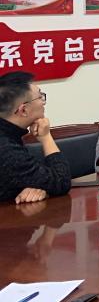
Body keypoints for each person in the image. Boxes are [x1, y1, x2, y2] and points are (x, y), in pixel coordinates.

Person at [0, 72, 71, 203]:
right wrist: (46, 137)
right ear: (23, 110)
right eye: (40, 97)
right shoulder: (6, 149)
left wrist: (40, 186)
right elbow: (61, 182)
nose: (43, 102)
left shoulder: (8, 134)